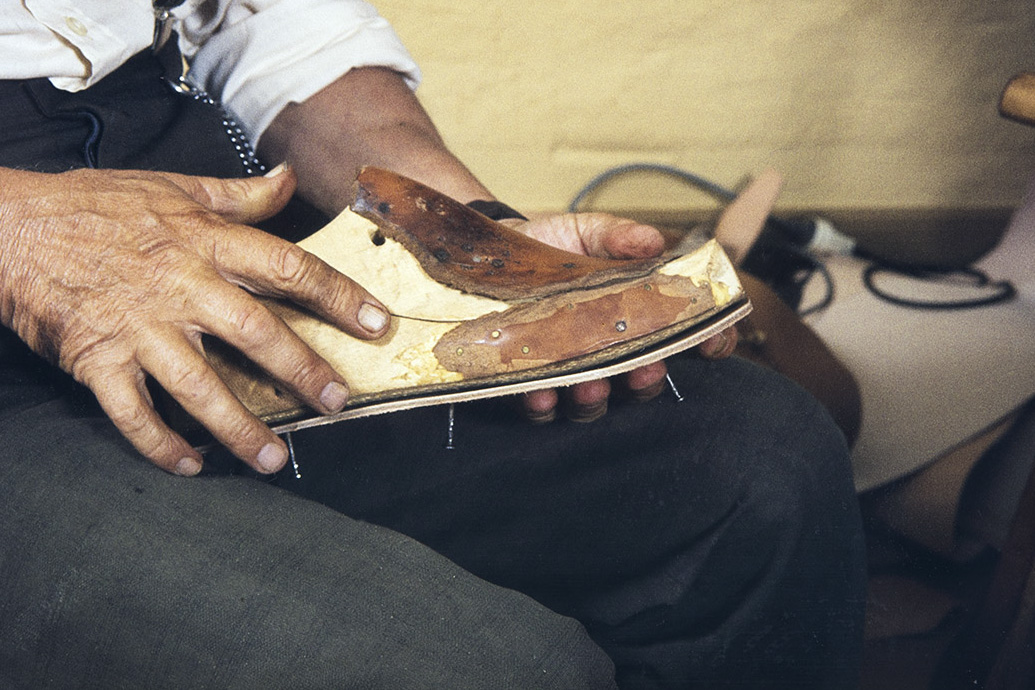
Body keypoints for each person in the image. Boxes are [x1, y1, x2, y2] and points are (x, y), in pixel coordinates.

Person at [0, 1, 866, 687]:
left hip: (196, 213)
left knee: (761, 462)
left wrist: (466, 235)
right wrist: (25, 236)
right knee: (489, 670)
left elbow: (267, 20)